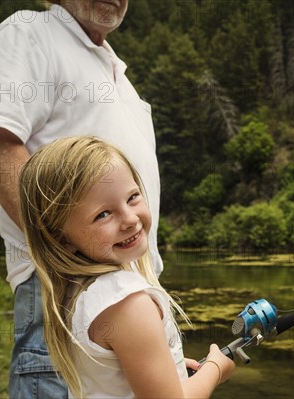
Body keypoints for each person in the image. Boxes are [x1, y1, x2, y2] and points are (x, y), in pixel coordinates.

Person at [0, 1, 165, 396]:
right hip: (65, 287)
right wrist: (67, 259)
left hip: (127, 285)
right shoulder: (29, 32)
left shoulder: (118, 73)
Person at [18, 135, 235, 398]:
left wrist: (169, 366)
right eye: (103, 214)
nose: (130, 219)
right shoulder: (127, 302)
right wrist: (214, 368)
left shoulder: (78, 293)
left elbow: (114, 375)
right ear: (61, 238)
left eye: (132, 197)